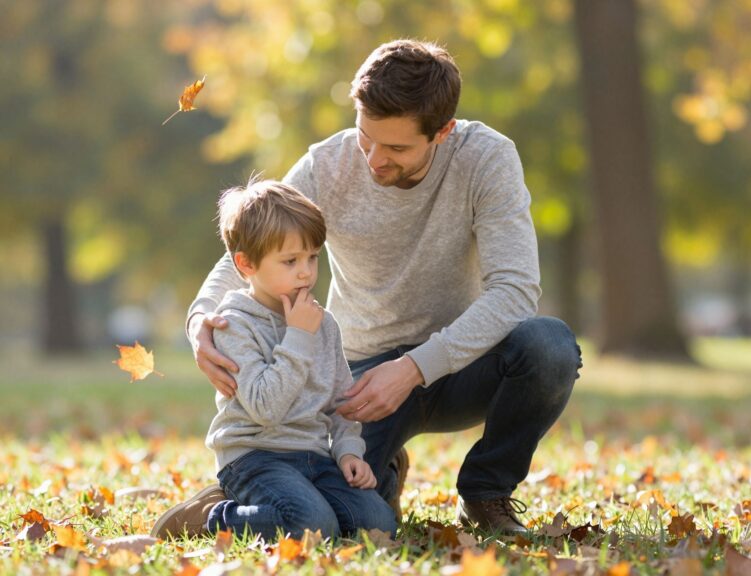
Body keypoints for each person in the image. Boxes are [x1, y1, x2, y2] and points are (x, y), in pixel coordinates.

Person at [157, 38, 582, 537]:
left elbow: (515, 290)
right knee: (355, 522)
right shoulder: (327, 164)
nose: (374, 159)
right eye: (366, 137)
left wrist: (413, 369)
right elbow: (251, 247)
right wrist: (199, 321)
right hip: (358, 382)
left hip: (461, 364)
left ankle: (485, 493)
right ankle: (268, 495)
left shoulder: (486, 158)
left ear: (442, 132)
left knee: (549, 347)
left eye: (397, 148)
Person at [151, 180, 396, 540]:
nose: (305, 272)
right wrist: (298, 336)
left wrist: (347, 453)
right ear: (246, 264)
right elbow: (266, 408)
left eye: (312, 257)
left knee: (379, 524)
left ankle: (304, 505)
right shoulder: (234, 325)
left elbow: (340, 403)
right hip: (255, 457)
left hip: (314, 456)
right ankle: (210, 517)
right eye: (290, 261)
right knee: (311, 526)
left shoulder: (323, 323)